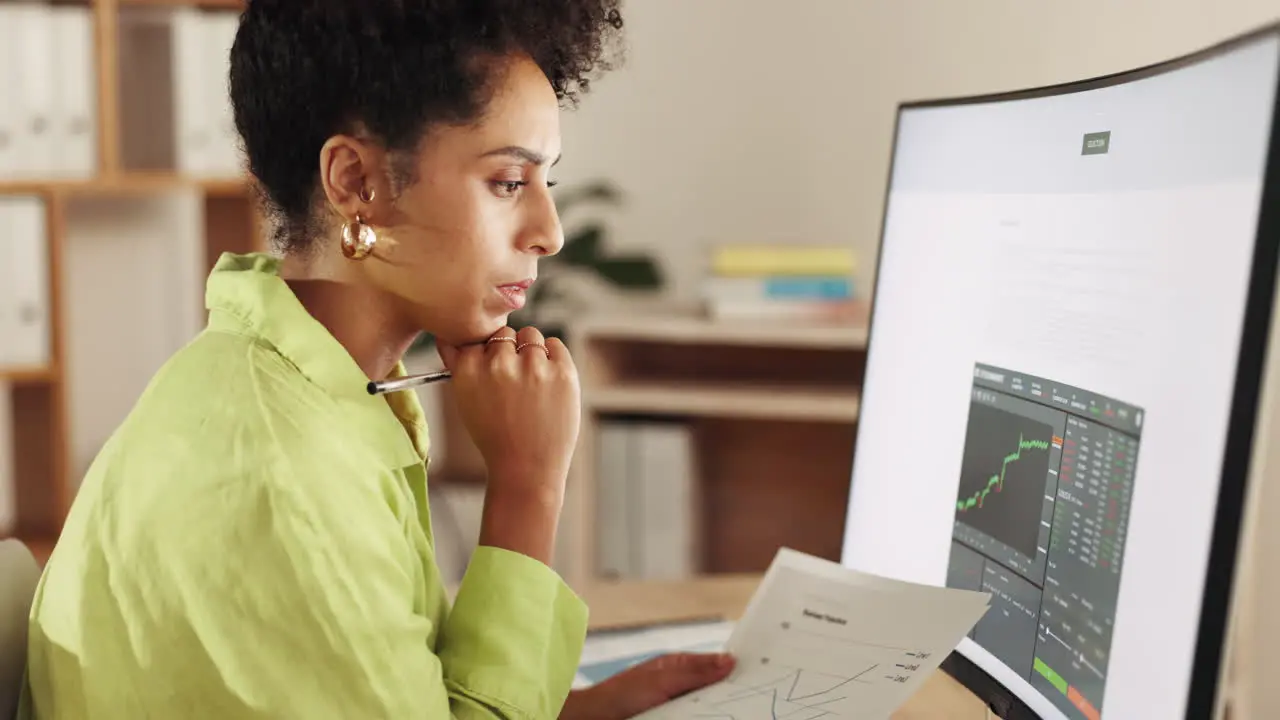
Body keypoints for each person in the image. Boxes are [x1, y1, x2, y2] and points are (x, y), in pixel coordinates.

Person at [20, 0, 735, 717]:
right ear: (357, 184)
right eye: (509, 183)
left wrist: (580, 711)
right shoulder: (282, 474)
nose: (548, 231)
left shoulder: (304, 383)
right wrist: (527, 484)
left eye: (544, 181)